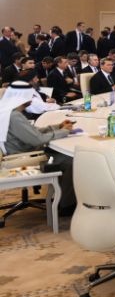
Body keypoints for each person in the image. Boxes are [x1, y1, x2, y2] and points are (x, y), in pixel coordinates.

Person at [0, 81, 76, 211]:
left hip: (19, 152)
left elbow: (33, 132)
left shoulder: (9, 111)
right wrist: (64, 132)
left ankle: (63, 198)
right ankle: (65, 206)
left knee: (62, 154)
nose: (33, 98)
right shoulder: (14, 116)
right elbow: (37, 140)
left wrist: (58, 127)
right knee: (70, 160)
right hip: (21, 157)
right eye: (31, 95)